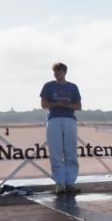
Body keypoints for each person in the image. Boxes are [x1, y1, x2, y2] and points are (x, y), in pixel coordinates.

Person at [40, 62, 82, 195]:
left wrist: (68, 105)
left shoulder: (73, 87)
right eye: (55, 72)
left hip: (69, 119)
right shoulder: (48, 86)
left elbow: (78, 106)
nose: (57, 74)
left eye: (59, 72)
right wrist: (57, 103)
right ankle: (59, 183)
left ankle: (70, 182)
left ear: (65, 72)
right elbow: (44, 104)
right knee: (56, 152)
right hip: (54, 119)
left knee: (71, 152)